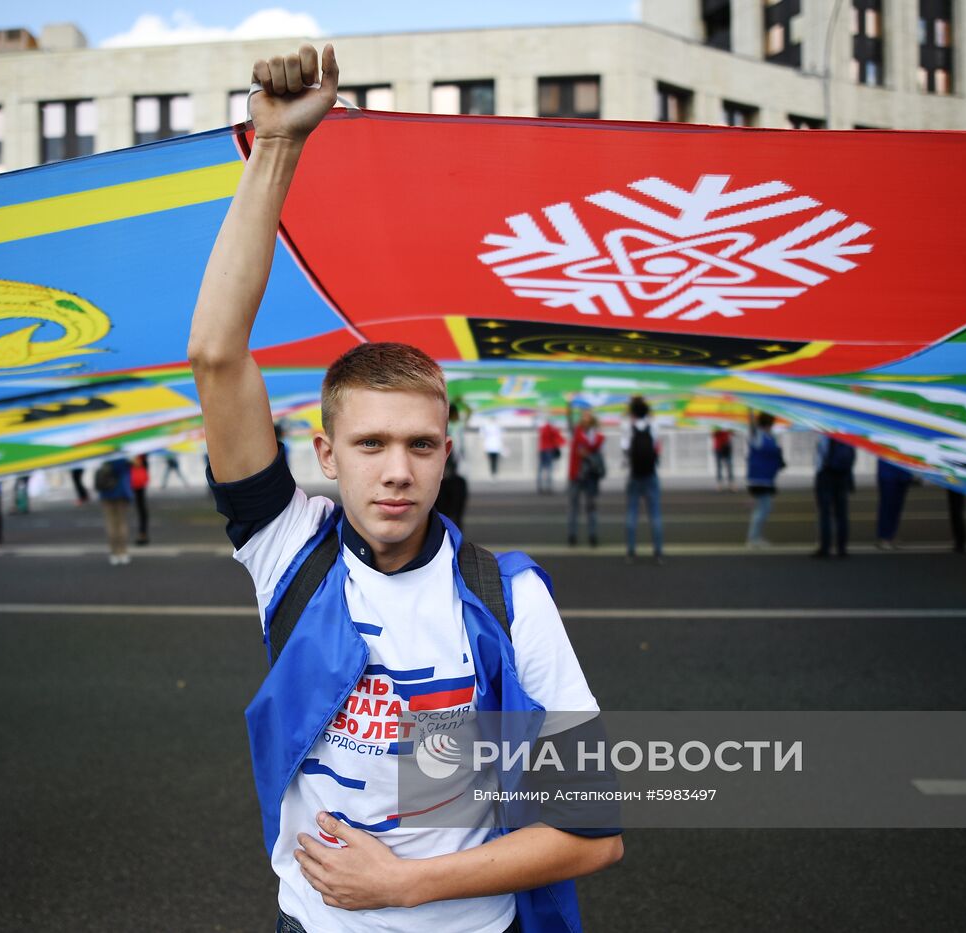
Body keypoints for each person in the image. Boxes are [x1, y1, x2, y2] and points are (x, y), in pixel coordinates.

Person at [186, 44, 620, 933]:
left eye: (421, 444)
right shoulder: (288, 550)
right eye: (371, 442)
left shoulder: (511, 596)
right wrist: (275, 147)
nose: (397, 470)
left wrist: (405, 886)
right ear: (325, 453)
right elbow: (217, 356)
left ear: (448, 452)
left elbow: (595, 831)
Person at [624, 396, 664, 564]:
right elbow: (658, 448)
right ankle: (658, 552)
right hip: (650, 474)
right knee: (655, 514)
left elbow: (625, 449)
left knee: (632, 514)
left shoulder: (627, 427)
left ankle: (631, 552)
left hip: (635, 474)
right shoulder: (654, 426)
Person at [744, 412, 785, 548]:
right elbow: (751, 425)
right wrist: (749, 408)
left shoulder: (768, 436)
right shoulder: (758, 435)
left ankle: (755, 537)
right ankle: (753, 539)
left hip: (766, 478)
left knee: (762, 508)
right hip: (759, 478)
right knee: (763, 509)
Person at [566, 406, 605, 547]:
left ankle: (592, 535)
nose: (585, 417)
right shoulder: (577, 432)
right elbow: (569, 422)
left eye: (587, 415)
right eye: (583, 415)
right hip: (576, 475)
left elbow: (595, 448)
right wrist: (569, 406)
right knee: (573, 507)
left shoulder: (597, 436)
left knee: (591, 507)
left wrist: (586, 453)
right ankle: (572, 535)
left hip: (590, 476)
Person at [812, 434, 856, 558]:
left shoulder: (823, 436)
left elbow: (819, 458)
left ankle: (825, 547)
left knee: (825, 513)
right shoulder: (847, 435)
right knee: (842, 513)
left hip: (825, 475)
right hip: (842, 476)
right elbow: (851, 456)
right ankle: (842, 548)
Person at [434, 402, 469, 531]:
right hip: (454, 473)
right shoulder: (454, 426)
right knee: (455, 508)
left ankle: (449, 531)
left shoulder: (446, 427)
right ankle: (453, 531)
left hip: (447, 474)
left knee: (446, 508)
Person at [95, 456, 134, 564]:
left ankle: (114, 553)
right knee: (122, 523)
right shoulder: (124, 458)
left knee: (110, 524)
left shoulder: (105, 456)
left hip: (106, 494)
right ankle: (123, 552)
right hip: (122, 494)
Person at [875, 459, 914, 550]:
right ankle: (884, 537)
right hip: (888, 473)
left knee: (897, 507)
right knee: (887, 506)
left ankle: (891, 535)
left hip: (903, 471)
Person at [536, 419, 565, 494]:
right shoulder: (552, 429)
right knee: (549, 469)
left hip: (542, 449)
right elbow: (559, 439)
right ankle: (548, 487)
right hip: (549, 449)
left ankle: (540, 486)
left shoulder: (542, 429)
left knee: (541, 469)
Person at [130, 454, 151, 545]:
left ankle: (142, 533)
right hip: (137, 481)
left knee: (140, 507)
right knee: (141, 507)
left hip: (134, 480)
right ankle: (142, 533)